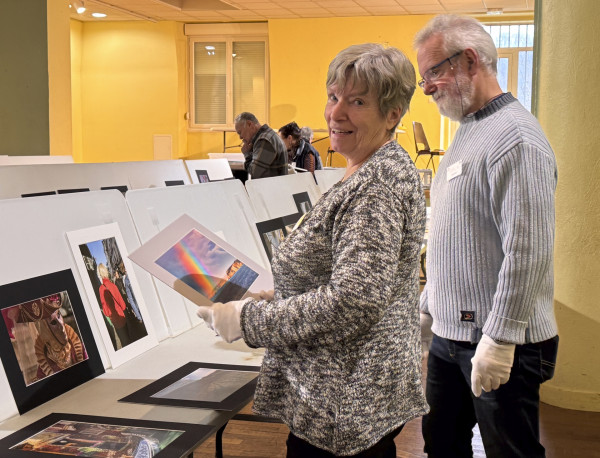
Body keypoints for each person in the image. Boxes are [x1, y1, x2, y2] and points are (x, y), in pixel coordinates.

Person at [198, 43, 428, 457]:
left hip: (345, 399)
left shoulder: (375, 186)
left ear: (392, 114)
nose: (336, 114)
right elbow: (356, 278)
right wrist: (278, 292)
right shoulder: (371, 166)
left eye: (357, 102)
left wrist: (248, 320)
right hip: (352, 393)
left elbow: (353, 302)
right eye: (333, 96)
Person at [414, 14, 559, 458]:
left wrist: (500, 339)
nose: (427, 88)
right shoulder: (468, 131)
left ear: (469, 60)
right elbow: (454, 233)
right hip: (451, 334)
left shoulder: (515, 137)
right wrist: (429, 306)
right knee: (441, 444)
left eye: (433, 72)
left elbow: (528, 249)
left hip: (499, 340)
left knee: (508, 451)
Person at [234, 112, 288, 179]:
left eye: (240, 132)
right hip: (275, 186)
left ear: (249, 124)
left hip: (271, 188)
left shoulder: (264, 140)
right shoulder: (269, 135)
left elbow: (254, 173)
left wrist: (247, 154)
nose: (240, 137)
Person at [98, 263, 131, 349]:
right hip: (122, 316)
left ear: (100, 274)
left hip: (115, 320)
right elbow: (122, 304)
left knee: (124, 342)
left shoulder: (101, 288)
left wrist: (110, 314)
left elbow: (105, 311)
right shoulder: (112, 285)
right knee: (128, 339)